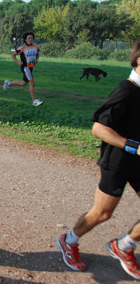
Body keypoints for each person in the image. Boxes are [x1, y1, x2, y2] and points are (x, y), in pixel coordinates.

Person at [56, 41, 140, 279]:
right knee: (102, 214)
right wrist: (134, 147)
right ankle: (68, 240)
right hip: (119, 162)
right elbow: (99, 128)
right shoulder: (125, 90)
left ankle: (123, 247)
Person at [3, 31, 43, 106]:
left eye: (31, 38)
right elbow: (13, 55)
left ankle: (8, 83)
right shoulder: (22, 48)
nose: (30, 39)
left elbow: (37, 54)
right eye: (29, 38)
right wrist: (18, 63)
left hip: (31, 67)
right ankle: (34, 101)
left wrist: (37, 59)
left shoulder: (36, 47)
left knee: (24, 83)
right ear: (25, 39)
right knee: (32, 83)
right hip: (25, 68)